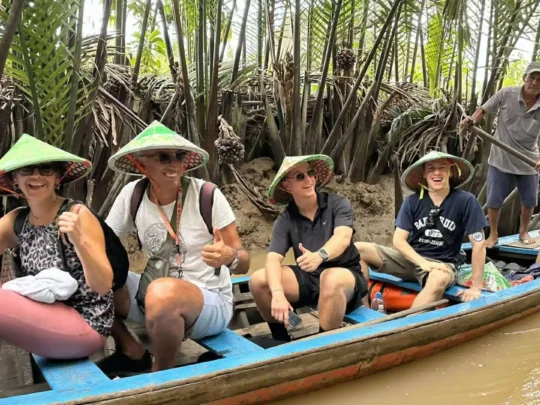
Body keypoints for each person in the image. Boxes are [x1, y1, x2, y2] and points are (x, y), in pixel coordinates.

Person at [99, 121, 249, 373]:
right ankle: (130, 349)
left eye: (179, 156)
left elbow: (244, 260)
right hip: (154, 292)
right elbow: (102, 241)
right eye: (163, 157)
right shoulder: (132, 195)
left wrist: (229, 256)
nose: (174, 164)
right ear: (141, 163)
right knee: (94, 278)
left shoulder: (207, 195)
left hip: (209, 301)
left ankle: (162, 373)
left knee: (162, 292)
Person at [0, 134, 114, 359]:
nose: (36, 176)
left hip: (87, 324)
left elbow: (103, 285)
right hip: (47, 315)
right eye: (27, 170)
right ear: (15, 179)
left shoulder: (77, 214)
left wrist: (79, 242)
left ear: (57, 178)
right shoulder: (18, 219)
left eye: (46, 169)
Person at [249, 155, 368, 343]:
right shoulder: (286, 219)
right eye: (299, 176)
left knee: (330, 278)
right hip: (309, 277)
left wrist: (321, 255)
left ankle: (323, 342)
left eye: (310, 173)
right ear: (287, 186)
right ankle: (280, 339)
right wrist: (278, 294)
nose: (308, 179)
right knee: (258, 280)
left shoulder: (337, 204)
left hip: (345, 276)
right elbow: (273, 258)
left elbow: (343, 237)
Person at [356, 151, 488, 306]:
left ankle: (407, 326)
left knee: (438, 279)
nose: (437, 173)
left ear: (450, 172)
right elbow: (398, 241)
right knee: (358, 249)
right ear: (424, 174)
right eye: (431, 168)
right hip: (410, 259)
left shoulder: (466, 201)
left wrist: (476, 287)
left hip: (441, 263)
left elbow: (479, 243)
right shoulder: (412, 201)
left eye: (442, 168)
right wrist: (422, 263)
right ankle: (363, 308)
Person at [462, 61, 540, 247]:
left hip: (528, 160)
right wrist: (472, 120)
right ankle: (493, 234)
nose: (535, 82)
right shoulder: (507, 94)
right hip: (501, 157)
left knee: (529, 199)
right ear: (524, 78)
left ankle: (523, 232)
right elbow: (483, 109)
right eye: (532, 77)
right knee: (494, 199)